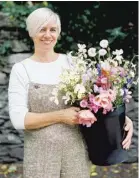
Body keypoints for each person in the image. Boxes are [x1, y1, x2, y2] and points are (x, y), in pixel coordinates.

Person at [8, 7, 133, 178]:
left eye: (53, 29)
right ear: (31, 32)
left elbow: (96, 102)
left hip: (76, 154)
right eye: (41, 29)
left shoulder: (72, 63)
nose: (47, 34)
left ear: (58, 33)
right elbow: (18, 119)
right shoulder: (21, 69)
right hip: (40, 157)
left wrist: (123, 120)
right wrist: (60, 116)